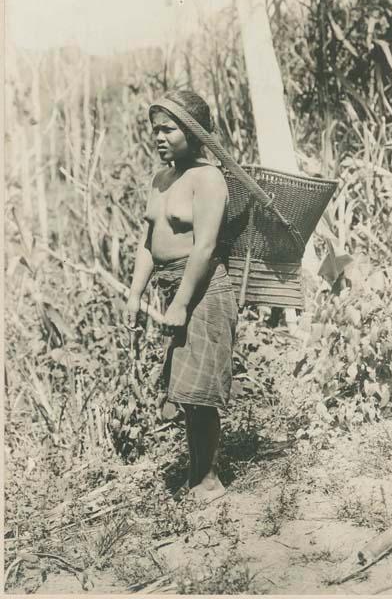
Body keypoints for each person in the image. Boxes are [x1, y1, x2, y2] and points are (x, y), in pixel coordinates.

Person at [124, 90, 238, 503]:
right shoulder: (161, 179)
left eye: (168, 129)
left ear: (192, 131)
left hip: (204, 289)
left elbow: (205, 247)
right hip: (175, 289)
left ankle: (208, 483)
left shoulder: (208, 179)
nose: (159, 137)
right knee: (185, 394)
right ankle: (198, 477)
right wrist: (136, 295)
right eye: (155, 129)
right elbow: (147, 243)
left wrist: (181, 303)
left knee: (198, 391)